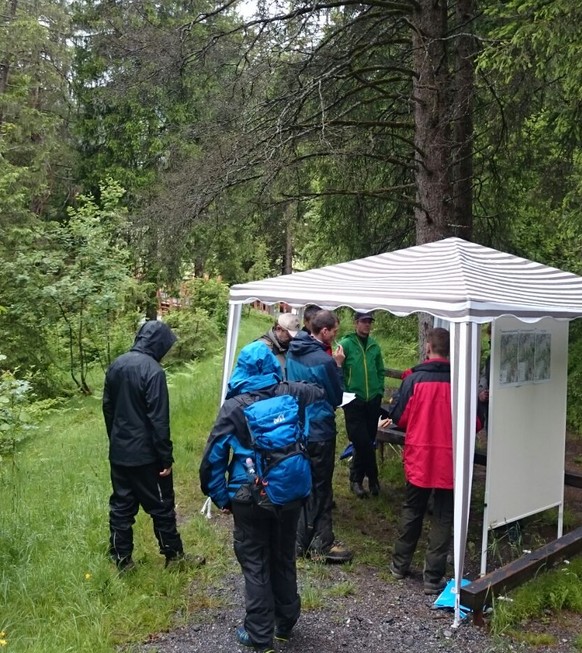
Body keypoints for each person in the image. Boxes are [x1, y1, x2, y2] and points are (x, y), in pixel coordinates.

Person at [199, 341, 325, 653]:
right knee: (283, 555)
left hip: (249, 494)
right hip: (289, 491)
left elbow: (213, 457)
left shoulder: (234, 406)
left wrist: (221, 497)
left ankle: (258, 633)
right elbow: (319, 392)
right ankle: (285, 623)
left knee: (254, 560)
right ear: (271, 364)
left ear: (241, 369)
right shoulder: (291, 393)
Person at [103, 320, 202, 570]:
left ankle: (122, 560)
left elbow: (108, 409)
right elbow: (159, 420)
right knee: (161, 506)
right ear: (158, 344)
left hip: (120, 453)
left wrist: (115, 441)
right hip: (146, 457)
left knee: (121, 507)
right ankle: (175, 558)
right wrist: (165, 458)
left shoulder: (116, 365)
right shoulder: (153, 371)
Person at [389, 327, 454, 595]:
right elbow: (475, 422)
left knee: (412, 508)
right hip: (449, 456)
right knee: (443, 514)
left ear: (428, 348)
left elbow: (400, 418)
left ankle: (399, 566)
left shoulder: (414, 380)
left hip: (420, 454)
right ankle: (432, 577)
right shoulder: (459, 381)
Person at [286, 310, 353, 563]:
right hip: (319, 429)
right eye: (334, 330)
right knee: (321, 486)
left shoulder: (293, 351)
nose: (336, 335)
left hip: (297, 424)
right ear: (324, 331)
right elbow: (336, 398)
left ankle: (303, 538)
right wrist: (337, 366)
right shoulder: (324, 361)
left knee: (302, 483)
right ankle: (316, 543)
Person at [339, 311, 385, 498]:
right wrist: (345, 393)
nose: (367, 325)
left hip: (372, 399)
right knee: (361, 441)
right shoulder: (346, 344)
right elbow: (338, 370)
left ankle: (356, 480)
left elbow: (380, 370)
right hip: (354, 400)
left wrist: (379, 390)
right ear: (356, 323)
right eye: (364, 321)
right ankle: (371, 478)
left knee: (367, 441)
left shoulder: (374, 346)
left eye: (369, 322)